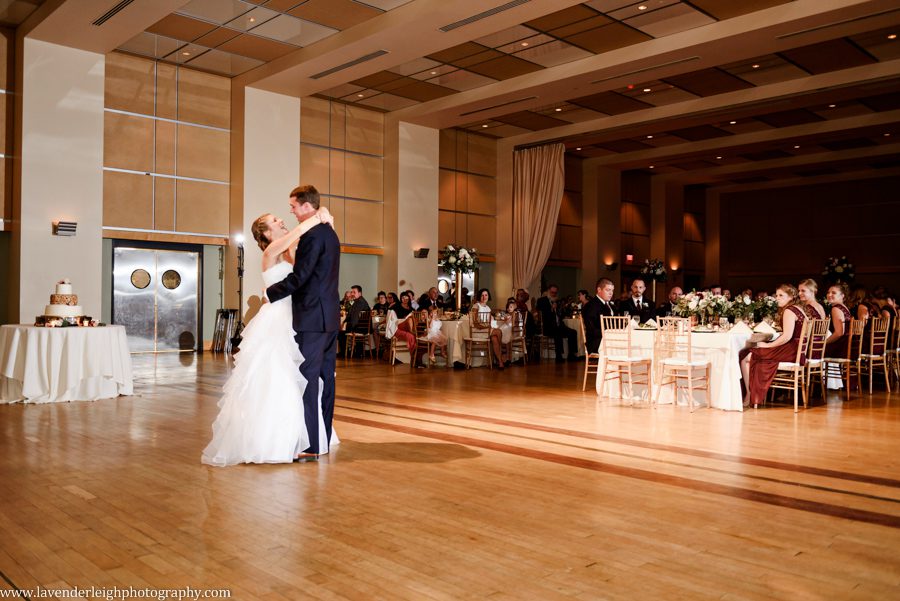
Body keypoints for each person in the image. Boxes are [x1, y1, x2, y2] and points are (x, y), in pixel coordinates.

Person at [202, 207, 338, 466]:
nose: (281, 220)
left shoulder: (289, 250)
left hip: (297, 317)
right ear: (265, 233)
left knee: (300, 375)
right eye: (275, 220)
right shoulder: (271, 251)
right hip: (277, 319)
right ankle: (278, 438)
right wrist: (317, 216)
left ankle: (306, 435)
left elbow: (306, 273)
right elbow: (300, 231)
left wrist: (325, 223)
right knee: (278, 374)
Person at [266, 185, 341, 459]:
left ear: (306, 206)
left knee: (308, 380)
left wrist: (270, 293)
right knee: (326, 380)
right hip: (329, 317)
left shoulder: (312, 235)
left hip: (311, 317)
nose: (291, 211)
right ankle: (323, 438)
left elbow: (301, 277)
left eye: (294, 206)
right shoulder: (330, 233)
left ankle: (312, 445)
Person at [739, 284, 808, 408]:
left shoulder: (789, 310)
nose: (777, 298)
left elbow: (787, 337)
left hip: (791, 351)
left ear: (791, 297)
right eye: (776, 295)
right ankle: (751, 393)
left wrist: (768, 346)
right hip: (798, 350)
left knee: (746, 356)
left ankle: (750, 395)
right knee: (751, 351)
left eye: (781, 295)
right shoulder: (799, 308)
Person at [535, 284, 579, 362]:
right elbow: (542, 314)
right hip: (548, 327)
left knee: (573, 332)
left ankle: (571, 355)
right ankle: (559, 355)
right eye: (552, 292)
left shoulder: (557, 301)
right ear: (548, 291)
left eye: (555, 293)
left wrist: (561, 310)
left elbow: (561, 314)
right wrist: (551, 309)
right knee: (557, 332)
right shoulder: (542, 300)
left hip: (559, 325)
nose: (553, 294)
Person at [472, 288, 507, 370]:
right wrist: (487, 327)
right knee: (498, 331)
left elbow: (489, 322)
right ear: (479, 296)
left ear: (488, 296)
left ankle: (500, 362)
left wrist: (489, 325)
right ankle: (502, 353)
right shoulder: (476, 306)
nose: (484, 297)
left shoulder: (488, 308)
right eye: (482, 295)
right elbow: (475, 323)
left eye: (486, 295)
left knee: (494, 339)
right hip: (478, 330)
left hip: (486, 330)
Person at [582, 278, 616, 355]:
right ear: (599, 290)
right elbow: (592, 329)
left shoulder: (612, 306)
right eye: (608, 290)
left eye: (612, 290)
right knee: (623, 344)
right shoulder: (591, 306)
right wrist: (610, 334)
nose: (611, 293)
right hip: (596, 341)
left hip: (609, 339)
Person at [824, 283, 853, 358]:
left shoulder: (836, 308)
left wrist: (824, 342)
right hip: (847, 345)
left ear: (842, 295)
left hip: (840, 347)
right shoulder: (844, 307)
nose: (829, 295)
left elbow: (839, 333)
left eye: (833, 293)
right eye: (828, 292)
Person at [340, 284, 370, 356]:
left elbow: (354, 317)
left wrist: (350, 327)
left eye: (354, 292)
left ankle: (345, 353)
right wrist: (344, 322)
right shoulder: (357, 301)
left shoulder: (360, 302)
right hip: (360, 326)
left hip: (360, 328)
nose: (352, 294)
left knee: (340, 333)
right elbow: (350, 313)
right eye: (352, 292)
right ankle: (354, 352)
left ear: (360, 293)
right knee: (341, 329)